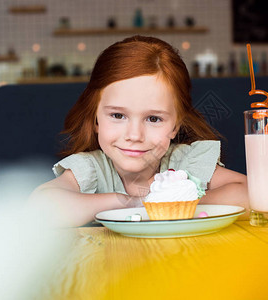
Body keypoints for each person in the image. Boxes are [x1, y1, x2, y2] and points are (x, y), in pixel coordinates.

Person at [30, 35, 248, 226]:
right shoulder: (92, 168)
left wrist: (174, 204)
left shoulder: (184, 163)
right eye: (117, 116)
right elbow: (40, 208)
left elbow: (250, 193)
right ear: (95, 119)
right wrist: (129, 203)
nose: (134, 135)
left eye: (153, 118)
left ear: (175, 125)